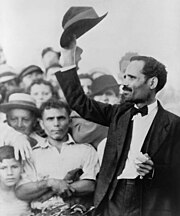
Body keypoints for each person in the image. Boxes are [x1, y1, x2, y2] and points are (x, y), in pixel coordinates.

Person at [55, 39, 180, 216]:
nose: (124, 83)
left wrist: (154, 171)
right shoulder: (118, 114)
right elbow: (80, 103)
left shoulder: (174, 125)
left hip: (150, 203)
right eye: (124, 76)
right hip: (111, 198)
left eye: (132, 78)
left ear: (152, 83)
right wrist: (68, 60)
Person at [15, 99, 99, 212]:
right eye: (50, 119)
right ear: (41, 123)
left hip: (77, 212)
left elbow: (90, 185)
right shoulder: (32, 154)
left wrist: (55, 188)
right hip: (42, 213)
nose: (56, 124)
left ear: (69, 121)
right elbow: (22, 192)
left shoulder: (86, 150)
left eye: (61, 118)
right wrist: (50, 183)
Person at [0, 145, 31, 216]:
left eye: (14, 167)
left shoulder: (29, 188)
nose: (9, 173)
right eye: (3, 168)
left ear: (22, 167)